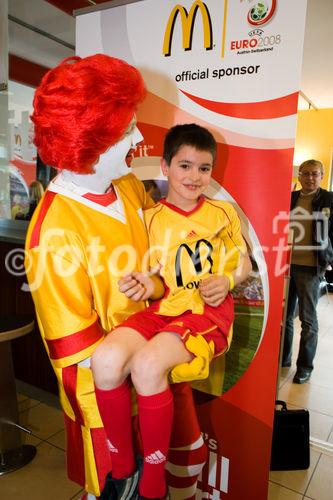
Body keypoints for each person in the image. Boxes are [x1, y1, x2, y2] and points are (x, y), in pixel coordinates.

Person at [24, 55, 214, 500]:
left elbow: (163, 254)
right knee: (120, 487)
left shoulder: (128, 185)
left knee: (184, 461)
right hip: (114, 398)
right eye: (127, 129)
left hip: (159, 360)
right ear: (90, 140)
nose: (139, 137)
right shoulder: (52, 231)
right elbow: (76, 351)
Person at [92, 124, 252, 500]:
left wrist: (228, 281)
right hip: (164, 310)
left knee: (148, 366)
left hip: (206, 314)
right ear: (165, 167)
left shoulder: (222, 213)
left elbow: (243, 264)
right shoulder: (149, 219)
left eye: (204, 168)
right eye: (185, 166)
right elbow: (158, 281)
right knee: (106, 358)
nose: (194, 177)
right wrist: (148, 286)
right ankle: (122, 473)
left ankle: (151, 488)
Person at [282, 159, 333, 383]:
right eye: (305, 173)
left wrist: (329, 259)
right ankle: (283, 359)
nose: (310, 178)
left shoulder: (329, 199)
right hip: (285, 265)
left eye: (315, 174)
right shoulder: (290, 198)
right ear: (299, 176)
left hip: (311, 268)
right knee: (284, 318)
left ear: (321, 176)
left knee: (308, 321)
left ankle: (305, 367)